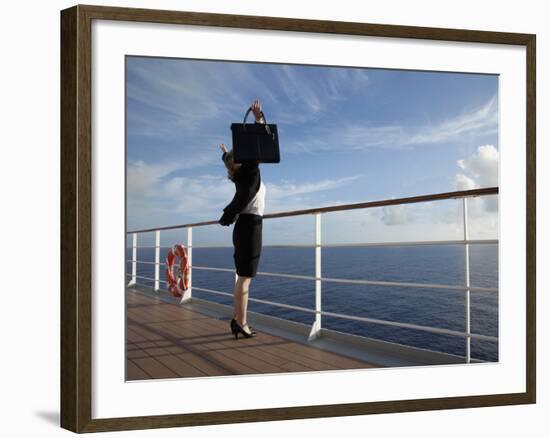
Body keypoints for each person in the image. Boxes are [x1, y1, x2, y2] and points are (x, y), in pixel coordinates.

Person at [218, 99, 267, 339]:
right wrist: (258, 120)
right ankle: (242, 323)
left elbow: (235, 162)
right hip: (251, 227)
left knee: (241, 278)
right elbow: (258, 148)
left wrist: (226, 154)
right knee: (245, 280)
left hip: (242, 227)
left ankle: (238, 320)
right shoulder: (249, 172)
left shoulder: (239, 177)